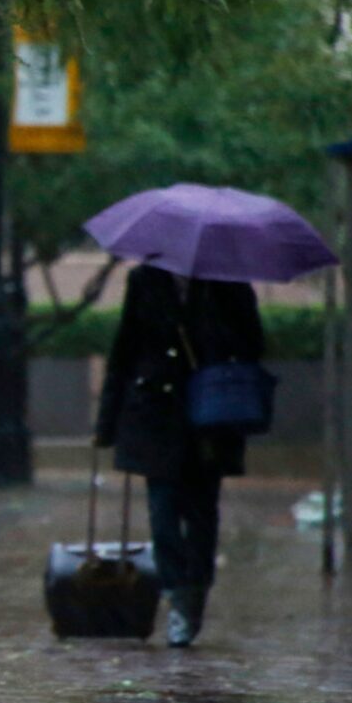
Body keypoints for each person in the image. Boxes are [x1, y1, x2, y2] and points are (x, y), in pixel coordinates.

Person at [94, 264, 264, 647]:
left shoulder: (228, 281)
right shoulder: (145, 280)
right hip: (157, 413)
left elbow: (254, 342)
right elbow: (125, 349)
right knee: (163, 508)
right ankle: (176, 594)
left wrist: (211, 345)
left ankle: (196, 588)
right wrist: (107, 422)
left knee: (202, 510)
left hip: (210, 413)